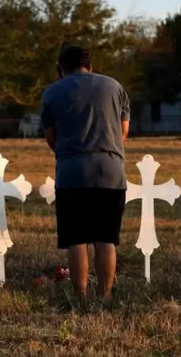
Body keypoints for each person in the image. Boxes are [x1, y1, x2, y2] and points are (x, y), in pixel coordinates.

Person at [40, 45, 130, 301]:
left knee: (77, 240)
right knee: (106, 239)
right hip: (110, 171)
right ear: (90, 66)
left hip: (72, 173)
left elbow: (51, 137)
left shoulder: (52, 93)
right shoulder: (115, 87)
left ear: (61, 70)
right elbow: (123, 131)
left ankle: (80, 297)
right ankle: (105, 296)